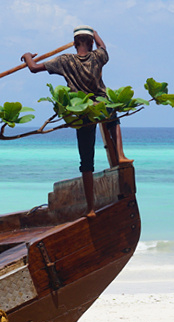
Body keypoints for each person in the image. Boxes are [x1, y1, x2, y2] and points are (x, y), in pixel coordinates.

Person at [21, 25, 131, 217]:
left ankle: (90, 209)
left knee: (86, 161)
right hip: (100, 104)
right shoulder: (98, 57)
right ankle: (120, 154)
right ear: (90, 43)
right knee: (113, 118)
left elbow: (33, 68)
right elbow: (103, 46)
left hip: (81, 110)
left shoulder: (65, 60)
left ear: (73, 44)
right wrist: (96, 32)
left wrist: (28, 55)